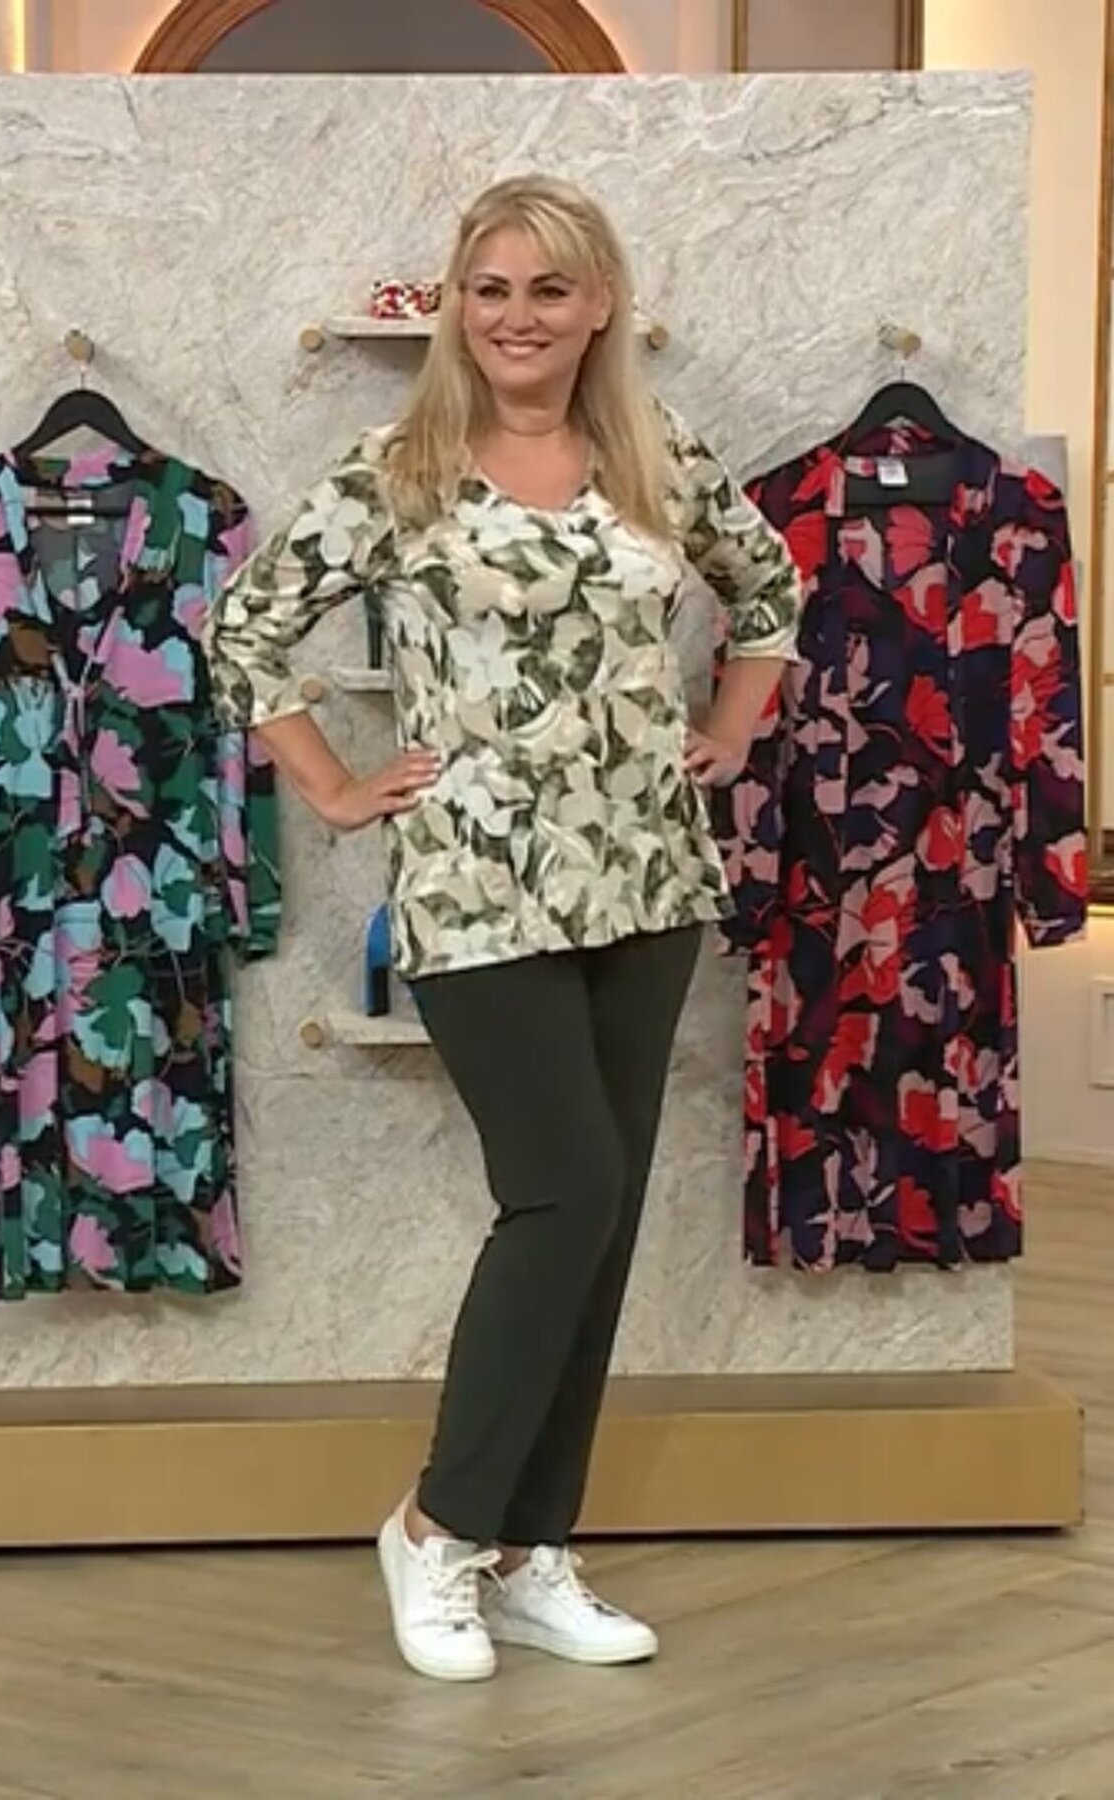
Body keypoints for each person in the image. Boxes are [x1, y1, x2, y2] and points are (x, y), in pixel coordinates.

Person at [206, 174, 801, 1683]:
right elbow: (244, 628)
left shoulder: (657, 456)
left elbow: (769, 592)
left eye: (549, 289)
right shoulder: (397, 469)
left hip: (648, 879)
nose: (517, 316)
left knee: (601, 1218)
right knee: (563, 1190)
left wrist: (731, 726)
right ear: (457, 308)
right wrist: (335, 787)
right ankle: (437, 1528)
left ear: (599, 305)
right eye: (491, 289)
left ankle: (535, 1551)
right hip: (477, 886)